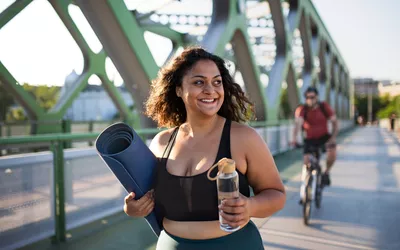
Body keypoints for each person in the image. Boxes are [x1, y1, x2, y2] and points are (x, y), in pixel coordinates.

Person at [123, 47, 286, 249]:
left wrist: (250, 206)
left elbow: (277, 194)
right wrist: (133, 208)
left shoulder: (243, 138)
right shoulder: (161, 143)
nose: (210, 90)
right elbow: (147, 198)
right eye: (199, 82)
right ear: (178, 89)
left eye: (216, 82)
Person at [291, 86, 338, 189]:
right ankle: (305, 192)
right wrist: (294, 139)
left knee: (332, 154)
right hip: (310, 139)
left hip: (324, 137)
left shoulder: (324, 107)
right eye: (307, 97)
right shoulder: (302, 109)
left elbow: (334, 122)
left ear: (317, 97)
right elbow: (298, 124)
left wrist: (333, 138)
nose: (310, 99)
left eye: (312, 97)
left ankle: (326, 172)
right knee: (307, 162)